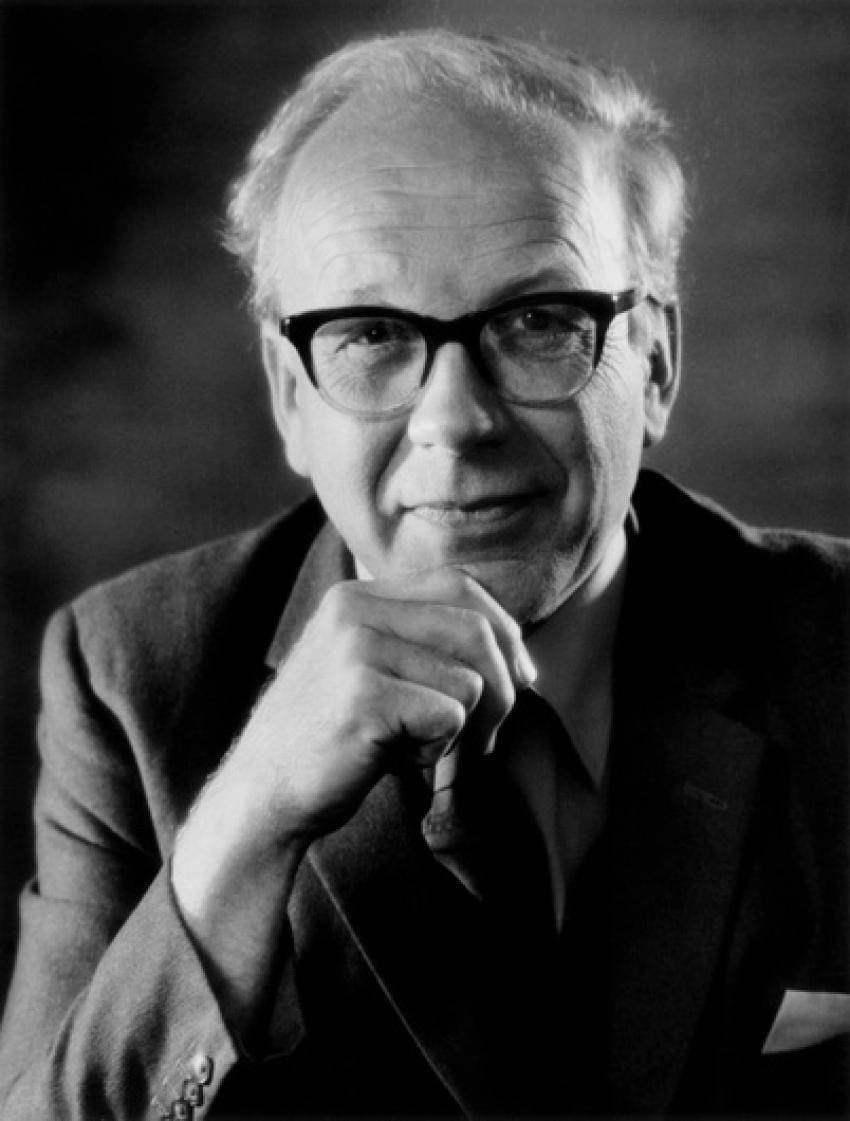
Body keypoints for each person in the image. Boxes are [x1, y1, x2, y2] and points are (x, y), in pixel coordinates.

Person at [1, 27, 848, 1120]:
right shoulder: (127, 676)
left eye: (540, 321)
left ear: (654, 363)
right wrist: (240, 828)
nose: (455, 418)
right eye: (369, 334)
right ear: (289, 396)